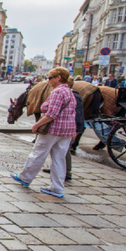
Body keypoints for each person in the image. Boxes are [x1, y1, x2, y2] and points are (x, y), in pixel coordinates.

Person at [12, 67, 77, 198]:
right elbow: (72, 113)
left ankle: (25, 178)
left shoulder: (57, 92)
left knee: (38, 153)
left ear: (59, 78)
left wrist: (37, 124)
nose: (48, 80)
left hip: (52, 129)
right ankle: (57, 188)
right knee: (59, 159)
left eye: (50, 77)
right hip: (66, 131)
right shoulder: (70, 92)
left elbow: (52, 114)